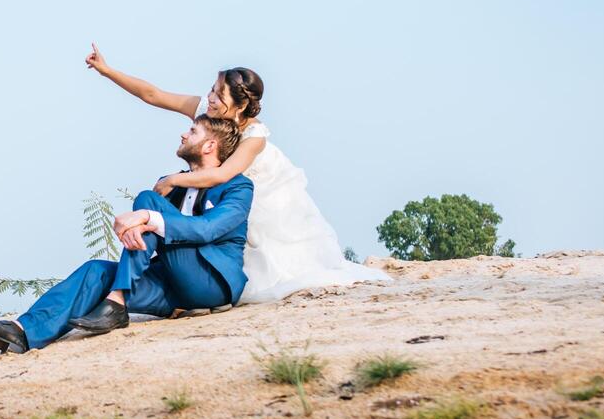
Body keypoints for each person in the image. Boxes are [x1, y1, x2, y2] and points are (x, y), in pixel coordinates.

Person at [84, 44, 389, 303]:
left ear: (240, 105)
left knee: (278, 260)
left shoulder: (254, 136)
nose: (210, 98)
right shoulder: (208, 112)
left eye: (218, 94)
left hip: (264, 193)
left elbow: (221, 175)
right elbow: (152, 94)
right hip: (222, 194)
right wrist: (107, 70)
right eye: (212, 90)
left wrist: (171, 180)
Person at [0, 116, 252, 353]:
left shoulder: (239, 187)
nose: (183, 134)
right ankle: (22, 332)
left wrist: (147, 217)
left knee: (147, 202)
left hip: (211, 285)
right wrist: (142, 223)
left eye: (192, 131)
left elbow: (208, 229)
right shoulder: (173, 188)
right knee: (96, 271)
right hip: (171, 287)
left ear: (209, 145)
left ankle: (117, 300)